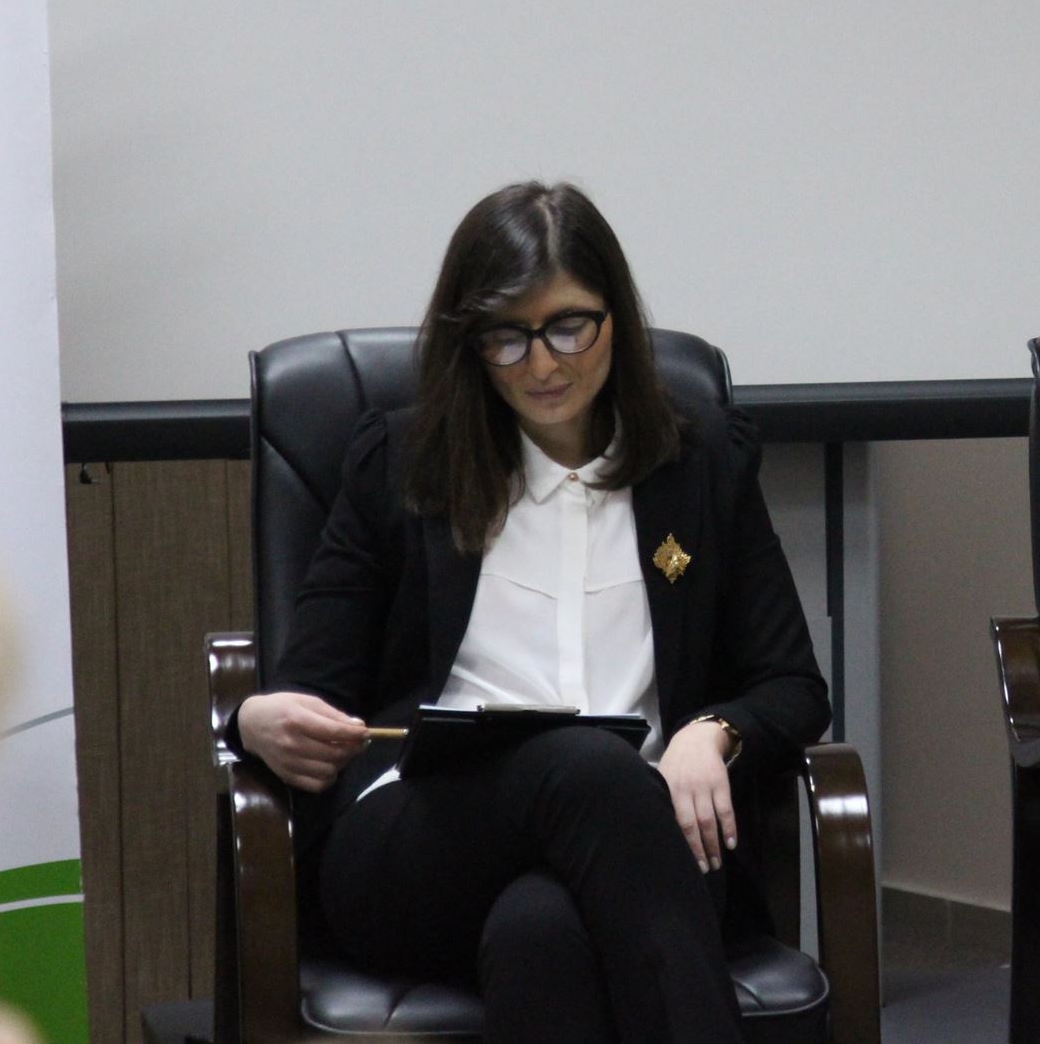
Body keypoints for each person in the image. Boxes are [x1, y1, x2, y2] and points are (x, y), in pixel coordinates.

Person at [232, 182, 829, 1044]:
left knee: (540, 932)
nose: (542, 364)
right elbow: (309, 685)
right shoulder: (402, 465)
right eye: (506, 336)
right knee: (586, 766)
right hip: (424, 839)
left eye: (568, 327)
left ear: (616, 318)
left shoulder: (700, 465)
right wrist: (254, 718)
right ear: (468, 341)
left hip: (641, 844)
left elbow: (792, 684)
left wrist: (713, 731)